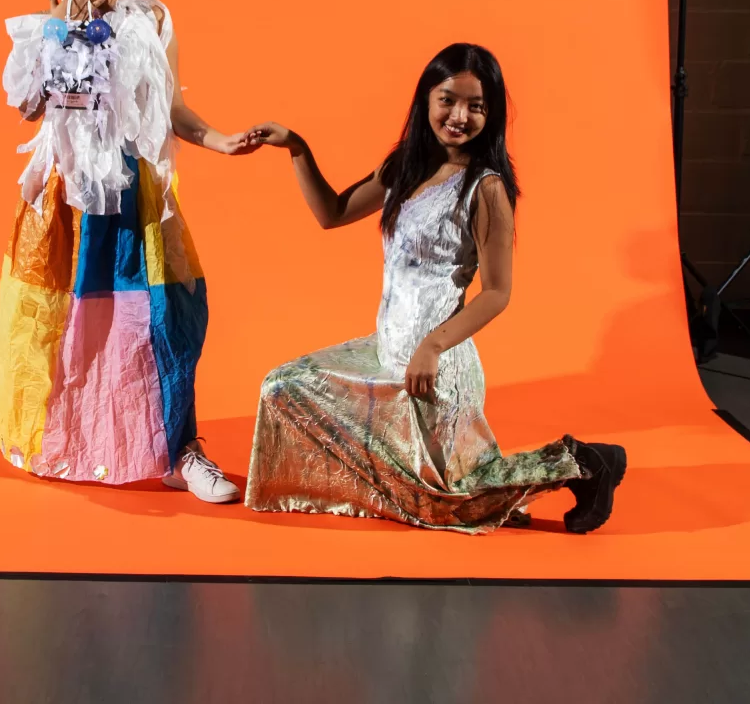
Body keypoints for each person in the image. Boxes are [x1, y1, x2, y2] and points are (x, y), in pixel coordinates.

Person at [242, 43, 627, 534]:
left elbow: (497, 292)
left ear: (492, 115)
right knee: (282, 389)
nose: (459, 116)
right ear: (426, 99)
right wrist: (297, 146)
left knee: (446, 502)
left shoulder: (484, 187)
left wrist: (433, 345)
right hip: (386, 352)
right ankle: (405, 485)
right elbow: (331, 214)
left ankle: (586, 463)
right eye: (448, 100)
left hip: (435, 365)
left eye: (476, 106)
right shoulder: (406, 164)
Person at [0, 0, 259, 503]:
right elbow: (29, 107)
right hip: (66, 206)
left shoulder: (150, 20)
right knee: (66, 330)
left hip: (135, 197)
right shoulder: (41, 27)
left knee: (164, 321)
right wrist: (65, 26)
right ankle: (68, 443)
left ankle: (181, 451)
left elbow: (172, 111)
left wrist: (220, 140)